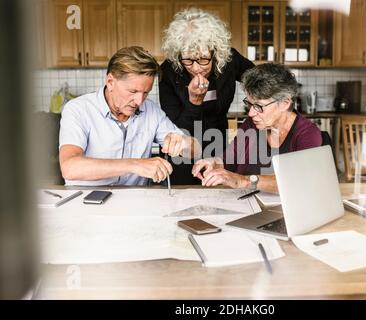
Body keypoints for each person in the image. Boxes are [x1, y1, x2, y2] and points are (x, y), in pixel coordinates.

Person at [59, 46, 201, 186]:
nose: (139, 101)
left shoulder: (151, 110)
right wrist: (134, 164)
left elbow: (196, 150)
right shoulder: (78, 109)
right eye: (133, 91)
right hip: (86, 203)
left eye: (145, 93)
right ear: (110, 82)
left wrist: (183, 143)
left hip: (135, 204)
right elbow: (69, 167)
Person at [192, 63, 322, 194]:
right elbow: (230, 158)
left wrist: (242, 181)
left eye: (259, 106)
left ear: (284, 103)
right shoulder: (252, 124)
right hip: (247, 203)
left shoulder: (307, 134)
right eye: (249, 104)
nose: (251, 113)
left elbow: (300, 181)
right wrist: (214, 162)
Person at [159, 8, 254, 184]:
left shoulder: (229, 61)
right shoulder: (169, 71)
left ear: (216, 52)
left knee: (218, 193)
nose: (196, 68)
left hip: (217, 143)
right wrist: (193, 102)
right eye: (187, 60)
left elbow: (258, 81)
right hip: (183, 150)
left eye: (203, 59)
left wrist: (259, 107)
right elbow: (175, 128)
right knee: (183, 195)